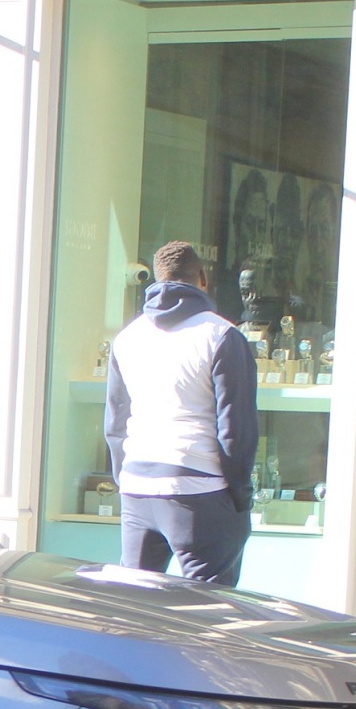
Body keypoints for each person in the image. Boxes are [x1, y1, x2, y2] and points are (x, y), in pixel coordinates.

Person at [103, 241, 258, 586]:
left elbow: (115, 421)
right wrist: (239, 494)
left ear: (156, 281)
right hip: (199, 489)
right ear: (202, 278)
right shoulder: (221, 335)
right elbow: (236, 428)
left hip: (138, 485)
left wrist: (123, 477)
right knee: (209, 612)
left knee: (136, 608)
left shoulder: (127, 338)